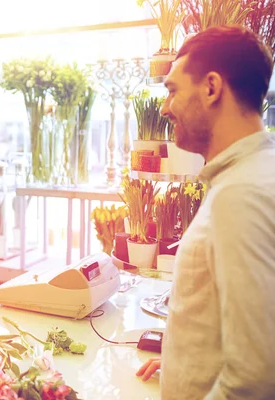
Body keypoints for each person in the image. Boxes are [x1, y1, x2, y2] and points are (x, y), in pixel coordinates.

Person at [136, 25, 275, 399]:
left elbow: (255, 377)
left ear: (212, 88)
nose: (165, 108)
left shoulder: (241, 194)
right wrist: (190, 356)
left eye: (173, 90)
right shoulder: (254, 174)